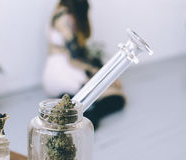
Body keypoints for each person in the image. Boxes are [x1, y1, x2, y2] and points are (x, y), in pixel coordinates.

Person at [42, 0, 125, 129]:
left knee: (112, 91)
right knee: (118, 97)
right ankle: (91, 115)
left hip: (59, 72)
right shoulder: (64, 19)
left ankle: (76, 108)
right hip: (63, 73)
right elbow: (75, 59)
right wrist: (101, 74)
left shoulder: (60, 11)